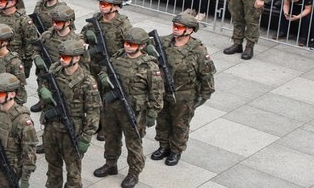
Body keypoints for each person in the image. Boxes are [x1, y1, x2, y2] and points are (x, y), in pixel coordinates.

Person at [92, 28, 164, 188]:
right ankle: (110, 164)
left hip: (134, 112)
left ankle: (134, 172)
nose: (128, 46)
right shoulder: (118, 56)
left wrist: (152, 113)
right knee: (111, 137)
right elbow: (105, 69)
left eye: (132, 44)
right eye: (126, 43)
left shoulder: (149, 66)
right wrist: (103, 75)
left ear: (143, 45)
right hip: (112, 106)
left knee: (134, 143)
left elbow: (157, 92)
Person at [151, 13, 215, 168]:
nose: (175, 29)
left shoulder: (197, 49)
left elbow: (206, 73)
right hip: (162, 90)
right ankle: (163, 145)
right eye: (174, 26)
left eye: (179, 27)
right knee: (162, 119)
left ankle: (176, 150)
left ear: (190, 30)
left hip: (184, 93)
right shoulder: (164, 42)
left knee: (180, 123)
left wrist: (204, 95)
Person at [40, 38, 100, 188]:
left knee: (73, 171)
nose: (62, 60)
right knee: (52, 165)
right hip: (52, 126)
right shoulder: (54, 70)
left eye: (65, 57)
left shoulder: (87, 81)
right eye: (60, 56)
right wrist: (42, 91)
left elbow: (94, 112)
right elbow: (43, 85)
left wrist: (86, 138)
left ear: (77, 58)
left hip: (72, 129)